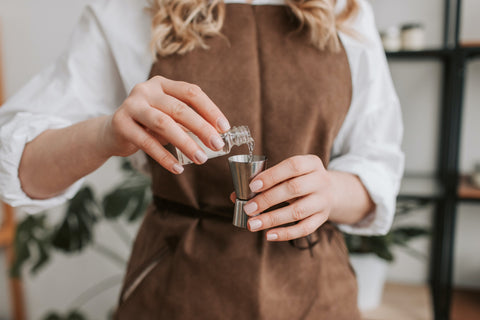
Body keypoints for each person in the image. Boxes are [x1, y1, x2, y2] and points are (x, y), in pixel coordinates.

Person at [0, 0, 404, 318]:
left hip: (316, 293)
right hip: (178, 289)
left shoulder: (345, 12)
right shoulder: (129, 12)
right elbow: (23, 169)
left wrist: (330, 192)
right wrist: (107, 133)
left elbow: (378, 167)